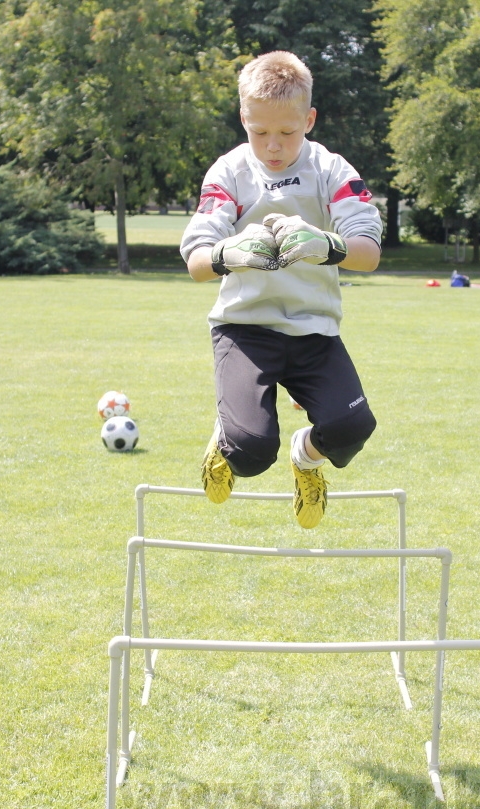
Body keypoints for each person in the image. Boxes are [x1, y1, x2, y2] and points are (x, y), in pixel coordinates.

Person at [179, 51, 383, 529]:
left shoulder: (332, 169)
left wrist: (327, 244)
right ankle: (229, 432)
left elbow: (369, 253)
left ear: (309, 119)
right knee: (249, 452)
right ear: (243, 117)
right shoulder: (228, 172)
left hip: (314, 330)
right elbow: (196, 262)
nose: (272, 146)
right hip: (245, 329)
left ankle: (306, 458)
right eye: (259, 132)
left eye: (287, 133)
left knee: (352, 428)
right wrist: (230, 253)